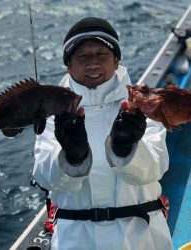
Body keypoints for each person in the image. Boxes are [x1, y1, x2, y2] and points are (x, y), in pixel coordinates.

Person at [32, 17, 173, 250]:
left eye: (101, 55)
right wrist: (72, 157)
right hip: (76, 240)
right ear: (68, 65)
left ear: (116, 61)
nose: (93, 64)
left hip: (142, 237)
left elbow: (156, 168)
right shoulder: (52, 113)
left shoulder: (139, 104)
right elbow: (47, 178)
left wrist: (126, 149)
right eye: (83, 57)